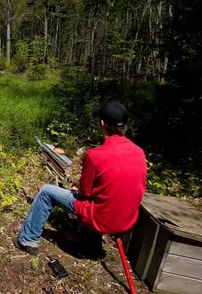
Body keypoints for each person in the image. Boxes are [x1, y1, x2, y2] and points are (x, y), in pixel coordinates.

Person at [13, 101, 147, 255]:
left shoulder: (95, 155)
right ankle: (90, 245)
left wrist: (78, 187)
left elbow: (85, 193)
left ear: (102, 123)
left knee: (46, 192)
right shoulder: (139, 152)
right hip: (126, 221)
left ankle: (27, 241)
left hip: (100, 218)